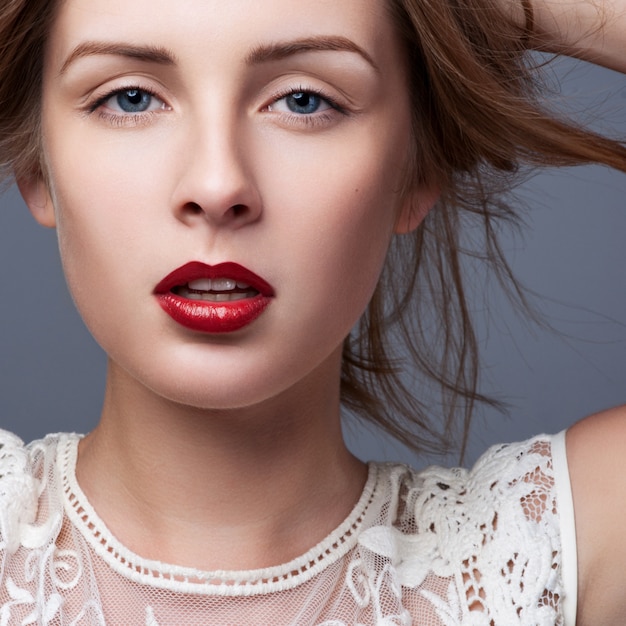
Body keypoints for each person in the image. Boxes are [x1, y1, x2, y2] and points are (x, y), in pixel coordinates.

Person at [0, 0, 625, 623]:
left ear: (417, 166)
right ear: (35, 161)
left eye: (304, 100)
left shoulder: (545, 559)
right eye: (130, 98)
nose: (218, 187)